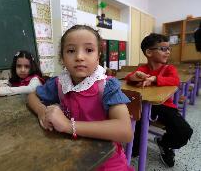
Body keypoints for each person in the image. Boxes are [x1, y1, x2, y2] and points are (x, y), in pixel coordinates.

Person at [27, 25, 134, 171]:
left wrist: (67, 125)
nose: (79, 57)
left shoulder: (107, 86)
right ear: (62, 58)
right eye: (71, 51)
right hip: (71, 156)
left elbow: (125, 131)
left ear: (98, 57)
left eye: (89, 50)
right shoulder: (60, 83)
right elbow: (32, 96)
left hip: (107, 161)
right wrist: (42, 112)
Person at [125, 33, 193, 167]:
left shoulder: (169, 68)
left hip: (164, 106)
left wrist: (155, 79)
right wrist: (135, 77)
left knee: (184, 131)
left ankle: (164, 143)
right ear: (149, 52)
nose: (167, 52)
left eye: (169, 49)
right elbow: (130, 77)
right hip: (145, 105)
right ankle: (135, 148)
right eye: (163, 49)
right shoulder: (143, 68)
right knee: (137, 123)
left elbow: (175, 80)